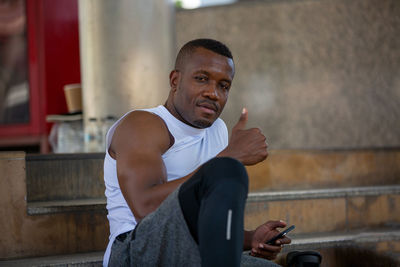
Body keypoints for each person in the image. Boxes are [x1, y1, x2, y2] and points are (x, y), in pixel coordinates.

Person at [103, 38, 291, 267]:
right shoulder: (142, 124)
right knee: (227, 170)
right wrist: (230, 158)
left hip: (195, 251)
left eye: (224, 86)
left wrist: (252, 238)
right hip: (135, 251)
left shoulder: (218, 130)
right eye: (201, 79)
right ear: (175, 80)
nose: (213, 93)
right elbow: (145, 207)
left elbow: (203, 220)